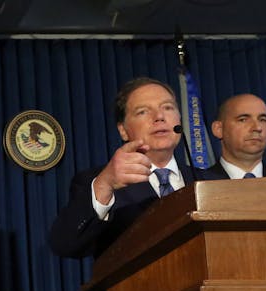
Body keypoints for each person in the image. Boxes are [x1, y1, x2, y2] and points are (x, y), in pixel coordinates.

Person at [50, 77, 196, 258]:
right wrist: (104, 185)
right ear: (123, 131)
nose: (159, 117)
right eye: (143, 111)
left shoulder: (211, 181)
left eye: (168, 107)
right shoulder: (100, 183)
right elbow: (65, 245)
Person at [204, 93, 266, 179]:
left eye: (262, 120)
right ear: (219, 129)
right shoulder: (199, 184)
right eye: (243, 120)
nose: (257, 127)